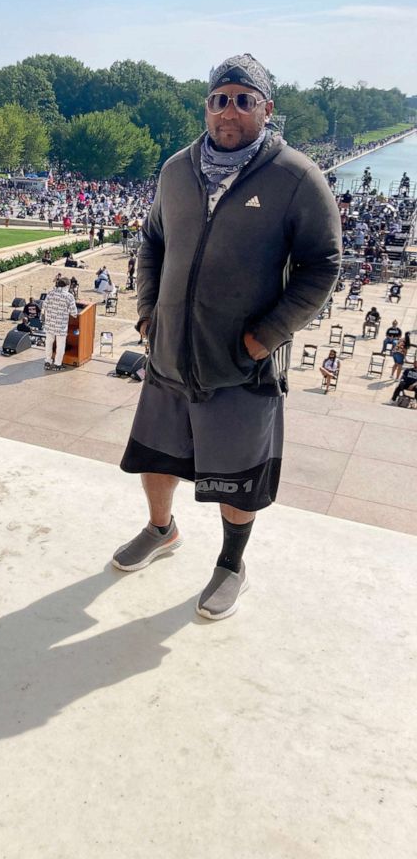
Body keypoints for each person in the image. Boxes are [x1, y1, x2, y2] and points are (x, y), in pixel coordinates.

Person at [114, 53, 341, 620]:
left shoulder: (296, 177)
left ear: (266, 108)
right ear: (206, 106)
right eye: (220, 99)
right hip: (169, 352)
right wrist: (147, 312)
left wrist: (265, 338)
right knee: (157, 458)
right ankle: (161, 530)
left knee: (238, 478)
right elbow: (152, 244)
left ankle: (231, 564)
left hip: (242, 364)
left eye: (244, 99)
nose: (230, 111)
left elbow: (323, 265)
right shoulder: (175, 171)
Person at [42, 277, 78, 371]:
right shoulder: (69, 296)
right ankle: (58, 364)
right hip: (60, 326)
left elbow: (44, 306)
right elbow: (74, 313)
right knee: (60, 346)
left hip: (49, 324)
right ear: (67, 285)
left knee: (48, 344)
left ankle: (47, 362)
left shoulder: (50, 293)